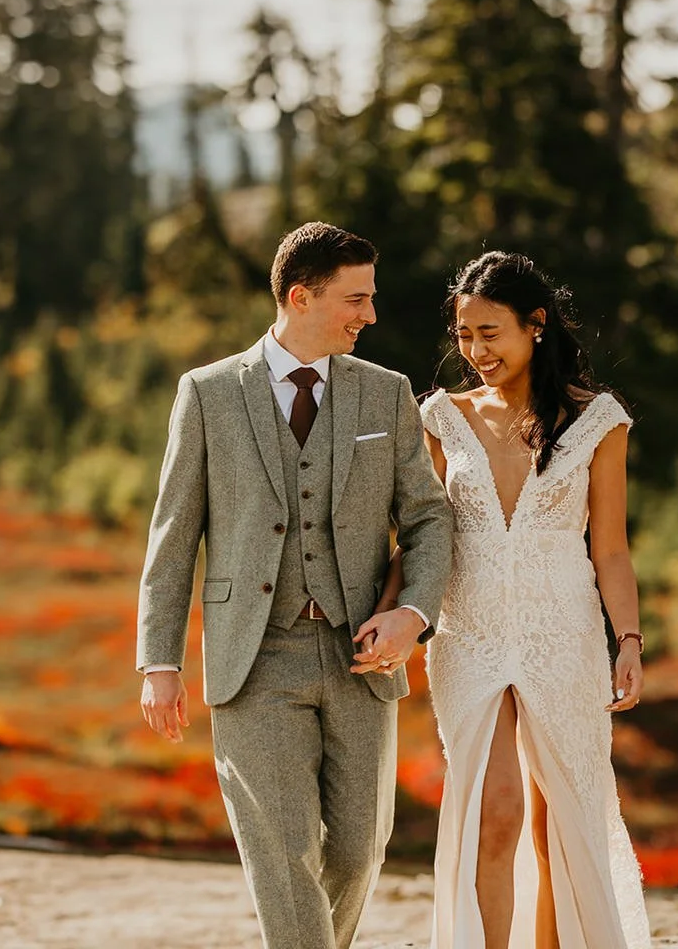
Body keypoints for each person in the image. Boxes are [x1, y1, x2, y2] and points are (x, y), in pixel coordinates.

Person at [135, 222, 454, 949]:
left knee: (357, 849)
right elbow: (173, 535)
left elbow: (429, 519)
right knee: (282, 856)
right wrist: (159, 660)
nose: (369, 315)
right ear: (300, 296)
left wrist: (413, 614)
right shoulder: (208, 393)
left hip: (362, 657)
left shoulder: (387, 394)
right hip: (256, 657)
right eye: (356, 299)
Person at [384, 251, 651, 948]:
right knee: (493, 807)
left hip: (561, 631)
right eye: (464, 335)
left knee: (557, 819)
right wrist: (394, 617)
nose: (474, 351)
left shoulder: (599, 422)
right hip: (467, 633)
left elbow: (611, 550)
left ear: (535, 326)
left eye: (489, 333)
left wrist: (627, 640)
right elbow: (417, 536)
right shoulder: (441, 418)